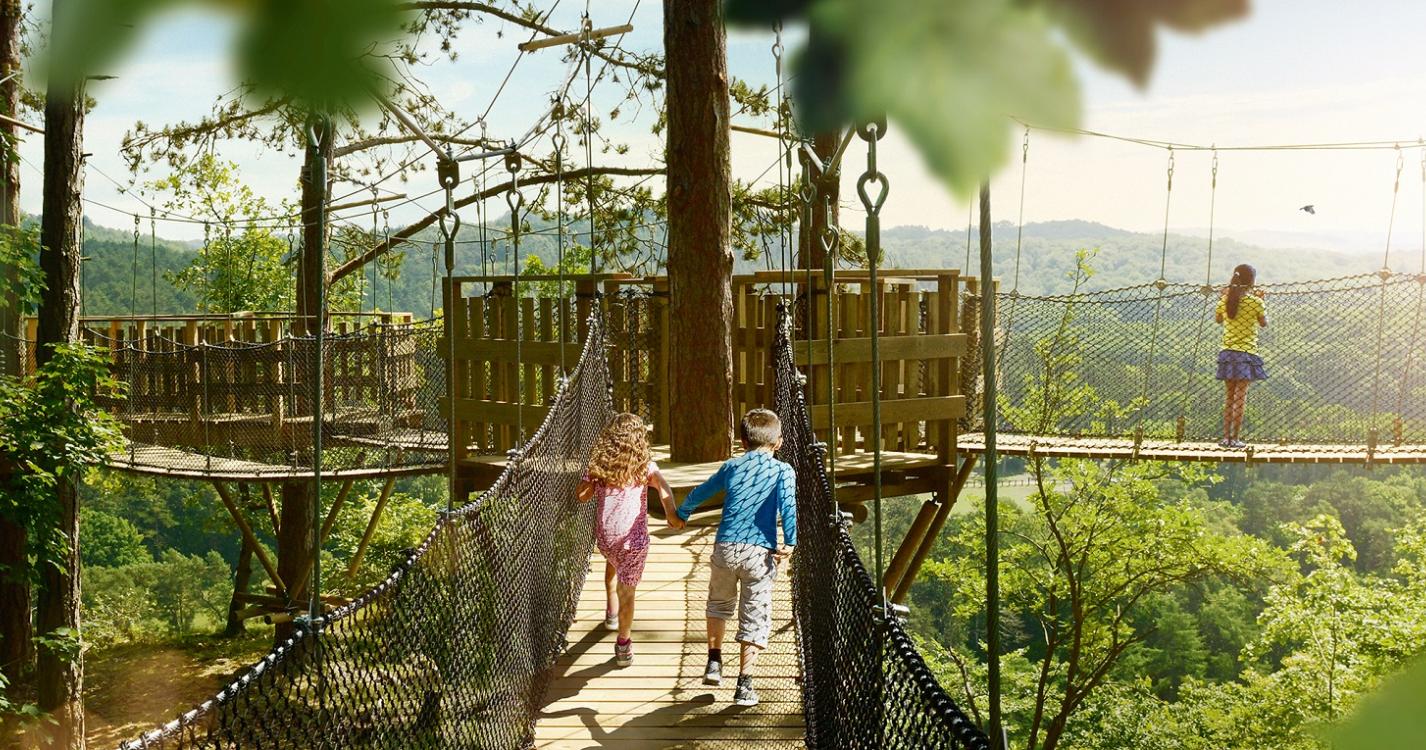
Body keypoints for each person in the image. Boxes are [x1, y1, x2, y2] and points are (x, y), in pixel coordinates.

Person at [671, 408, 796, 707]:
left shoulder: (732, 466)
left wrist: (682, 513)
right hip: (759, 552)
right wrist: (790, 541)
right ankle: (744, 685)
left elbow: (701, 492)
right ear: (778, 442)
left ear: (743, 442)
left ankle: (714, 662)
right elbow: (788, 506)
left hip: (726, 547)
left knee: (718, 604)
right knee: (754, 613)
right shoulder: (783, 471)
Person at [577, 413, 675, 667]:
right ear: (640, 439)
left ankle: (611, 611)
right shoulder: (646, 466)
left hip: (606, 540)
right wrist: (671, 515)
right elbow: (664, 489)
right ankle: (623, 644)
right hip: (633, 542)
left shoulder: (600, 467)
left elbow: (582, 496)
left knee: (614, 565)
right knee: (627, 592)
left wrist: (590, 477)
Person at [1215, 263, 1268, 448]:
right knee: (1240, 398)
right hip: (1246, 353)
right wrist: (1260, 300)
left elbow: (1218, 319)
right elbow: (1264, 323)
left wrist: (1223, 298)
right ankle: (1235, 439)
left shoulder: (1226, 300)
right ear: (1251, 281)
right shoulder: (1255, 302)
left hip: (1227, 353)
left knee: (1229, 398)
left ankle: (1225, 438)